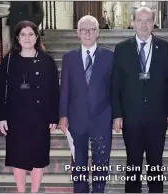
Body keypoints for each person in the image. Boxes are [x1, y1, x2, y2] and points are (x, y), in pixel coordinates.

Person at [111, 6, 168, 193]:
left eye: (148, 20)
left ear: (153, 23)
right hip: (130, 116)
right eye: (139, 20)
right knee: (133, 160)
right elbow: (115, 85)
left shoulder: (165, 48)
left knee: (155, 160)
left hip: (157, 116)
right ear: (132, 22)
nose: (143, 24)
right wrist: (116, 114)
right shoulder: (122, 49)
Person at [0, 21, 59, 193]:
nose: (27, 38)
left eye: (31, 34)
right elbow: (1, 91)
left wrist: (54, 117)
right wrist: (1, 117)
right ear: (17, 37)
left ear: (36, 36)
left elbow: (55, 90)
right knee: (18, 159)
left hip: (40, 117)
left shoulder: (47, 60)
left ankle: (35, 191)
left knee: (39, 158)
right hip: (16, 118)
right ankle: (21, 191)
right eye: (23, 34)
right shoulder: (9, 60)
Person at [59, 15, 113, 193]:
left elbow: (114, 88)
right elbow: (65, 88)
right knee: (78, 159)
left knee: (101, 158)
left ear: (98, 32)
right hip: (77, 117)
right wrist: (63, 115)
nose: (88, 33)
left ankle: (98, 189)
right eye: (84, 30)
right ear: (78, 33)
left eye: (92, 29)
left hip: (102, 116)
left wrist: (116, 115)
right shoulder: (69, 57)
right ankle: (80, 190)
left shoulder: (109, 56)